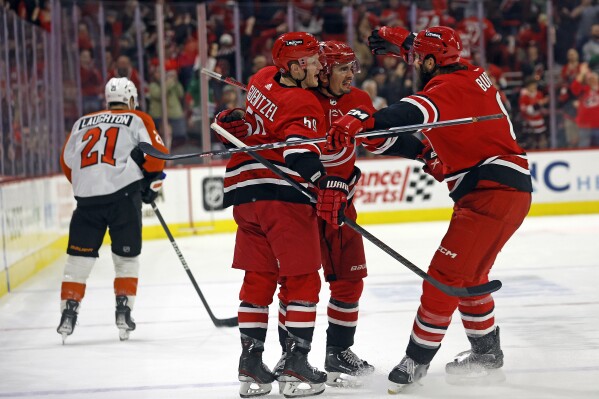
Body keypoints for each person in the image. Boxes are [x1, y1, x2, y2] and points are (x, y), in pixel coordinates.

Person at [326, 26, 533, 392]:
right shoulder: (469, 73)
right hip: (496, 188)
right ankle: (486, 354)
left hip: (491, 192)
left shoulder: (444, 90)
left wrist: (361, 120)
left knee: (443, 275)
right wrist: (410, 44)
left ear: (432, 61)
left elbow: (406, 113)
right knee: (468, 275)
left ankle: (416, 361)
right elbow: (434, 79)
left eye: (418, 58)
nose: (413, 63)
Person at [213, 32, 348, 398]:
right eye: (314, 60)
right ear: (296, 65)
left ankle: (251, 367)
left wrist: (230, 119)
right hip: (280, 196)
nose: (321, 66)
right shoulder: (304, 102)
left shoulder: (260, 79)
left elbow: (243, 124)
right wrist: (326, 182)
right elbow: (297, 154)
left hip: (244, 191)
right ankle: (295, 366)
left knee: (259, 279)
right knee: (302, 280)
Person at [58, 77, 168, 343]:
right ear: (130, 100)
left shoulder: (80, 123)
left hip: (86, 202)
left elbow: (66, 162)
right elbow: (157, 155)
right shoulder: (137, 118)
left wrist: (89, 184)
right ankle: (123, 311)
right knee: (126, 258)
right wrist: (147, 182)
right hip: (123, 197)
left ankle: (68, 314)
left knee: (77, 261)